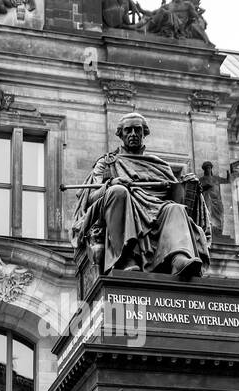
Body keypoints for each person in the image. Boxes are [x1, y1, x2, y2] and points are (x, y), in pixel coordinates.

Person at [70, 111, 211, 279]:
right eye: (128, 130)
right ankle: (125, 258)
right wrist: (110, 184)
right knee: (118, 192)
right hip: (119, 204)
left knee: (174, 208)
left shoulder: (160, 165)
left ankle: (178, 258)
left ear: (145, 133)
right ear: (120, 134)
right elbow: (91, 198)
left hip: (155, 210)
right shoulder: (107, 163)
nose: (133, 134)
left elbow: (177, 199)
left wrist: (189, 187)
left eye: (138, 130)